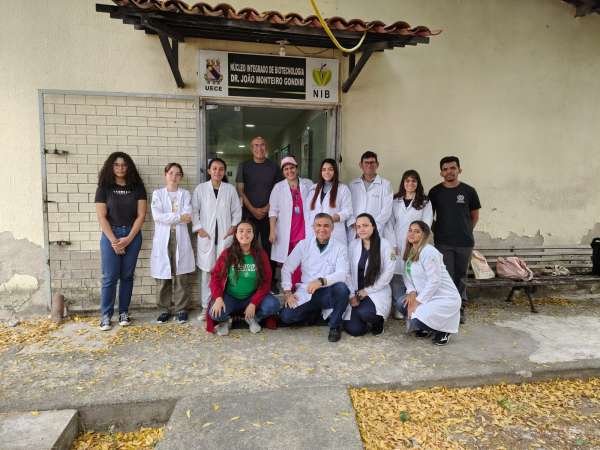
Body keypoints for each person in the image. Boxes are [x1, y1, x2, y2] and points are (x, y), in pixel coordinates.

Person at [95, 152, 147, 331]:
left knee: (127, 276)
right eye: (116, 165)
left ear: (129, 167)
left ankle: (124, 312)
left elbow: (141, 215)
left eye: (124, 165)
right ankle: (105, 316)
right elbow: (101, 217)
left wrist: (129, 239)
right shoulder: (104, 187)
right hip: (111, 235)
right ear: (111, 167)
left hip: (132, 235)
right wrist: (114, 241)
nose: (120, 168)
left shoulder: (137, 187)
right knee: (109, 277)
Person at [279, 213, 350, 342]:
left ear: (332, 228)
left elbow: (342, 273)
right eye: (318, 225)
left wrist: (321, 281)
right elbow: (287, 268)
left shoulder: (340, 247)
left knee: (342, 289)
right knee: (286, 316)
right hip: (307, 291)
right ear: (313, 227)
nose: (322, 229)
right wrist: (288, 292)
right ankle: (313, 313)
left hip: (328, 291)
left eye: (326, 226)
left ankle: (334, 326)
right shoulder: (304, 244)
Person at [428, 156, 481, 323]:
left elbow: (474, 216)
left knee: (461, 276)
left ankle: (460, 308)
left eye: (452, 168)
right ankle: (448, 308)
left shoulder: (469, 191)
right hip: (443, 243)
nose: (449, 171)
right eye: (445, 169)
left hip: (465, 243)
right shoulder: (435, 192)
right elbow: (429, 216)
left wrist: (465, 230)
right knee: (447, 277)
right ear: (441, 173)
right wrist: (438, 231)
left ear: (459, 170)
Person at [208, 221, 281, 336]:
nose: (245, 234)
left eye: (249, 231)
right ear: (236, 235)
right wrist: (218, 298)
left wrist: (254, 303)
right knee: (214, 313)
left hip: (252, 295)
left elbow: (266, 282)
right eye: (241, 231)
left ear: (253, 235)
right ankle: (226, 321)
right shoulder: (227, 254)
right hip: (231, 297)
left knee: (273, 305)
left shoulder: (261, 255)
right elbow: (215, 276)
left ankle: (253, 318)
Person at [192, 158, 242, 320]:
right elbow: (194, 211)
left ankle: (222, 306)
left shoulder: (230, 189)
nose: (217, 172)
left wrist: (233, 227)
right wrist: (199, 228)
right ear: (209, 171)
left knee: (225, 272)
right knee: (207, 273)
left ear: (224, 171)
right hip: (207, 237)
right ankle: (205, 308)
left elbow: (237, 211)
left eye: (221, 169)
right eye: (214, 168)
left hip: (225, 236)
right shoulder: (200, 189)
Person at [399, 221, 461, 346]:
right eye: (410, 230)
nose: (411, 233)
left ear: (424, 235)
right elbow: (406, 275)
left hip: (444, 298)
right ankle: (427, 327)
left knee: (415, 320)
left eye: (417, 231)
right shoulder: (411, 251)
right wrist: (411, 291)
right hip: (426, 296)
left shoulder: (429, 252)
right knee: (401, 303)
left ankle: (443, 330)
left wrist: (417, 302)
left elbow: (435, 281)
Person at [150, 163, 196, 324]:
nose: (174, 177)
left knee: (181, 275)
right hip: (163, 238)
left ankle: (181, 309)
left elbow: (188, 215)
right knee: (164, 275)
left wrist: (170, 217)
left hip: (180, 237)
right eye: (171, 173)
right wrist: (178, 217)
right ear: (165, 174)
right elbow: (157, 216)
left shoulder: (185, 194)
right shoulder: (158, 194)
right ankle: (164, 309)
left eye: (177, 174)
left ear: (181, 177)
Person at [236, 136, 283, 292]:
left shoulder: (274, 167)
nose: (259, 148)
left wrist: (267, 207)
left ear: (266, 147)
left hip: (269, 216)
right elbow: (240, 190)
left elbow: (279, 190)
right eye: (256, 145)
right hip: (249, 215)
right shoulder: (244, 166)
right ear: (251, 148)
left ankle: (270, 282)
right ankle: (250, 280)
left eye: (262, 145)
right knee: (248, 248)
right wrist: (253, 209)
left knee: (270, 249)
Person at [389, 170, 433, 319]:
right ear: (403, 183)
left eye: (414, 181)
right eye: (407, 180)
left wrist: (418, 244)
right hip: (396, 243)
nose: (410, 183)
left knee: (413, 273)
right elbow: (390, 223)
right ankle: (399, 305)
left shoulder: (425, 202)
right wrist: (392, 243)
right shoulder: (395, 200)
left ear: (418, 183)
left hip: (415, 243)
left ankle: (414, 304)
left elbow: (426, 224)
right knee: (396, 274)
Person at [342, 213, 395, 336]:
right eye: (358, 226)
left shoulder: (385, 245)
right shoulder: (353, 245)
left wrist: (368, 290)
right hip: (356, 292)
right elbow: (347, 272)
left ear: (373, 227)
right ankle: (362, 319)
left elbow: (388, 273)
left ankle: (378, 322)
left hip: (375, 291)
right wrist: (351, 294)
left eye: (365, 225)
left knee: (366, 313)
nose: (362, 229)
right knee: (354, 330)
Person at [268, 156, 312, 287]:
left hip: (303, 230)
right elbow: (273, 211)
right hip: (286, 231)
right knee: (287, 262)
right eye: (286, 169)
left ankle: (300, 287)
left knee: (303, 260)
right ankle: (289, 287)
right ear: (283, 172)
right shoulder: (278, 187)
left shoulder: (308, 184)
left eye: (292, 168)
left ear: (297, 168)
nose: (289, 171)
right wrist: (272, 231)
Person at [348, 150, 393, 240]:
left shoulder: (386, 185)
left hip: (375, 231)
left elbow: (386, 211)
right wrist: (354, 224)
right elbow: (347, 207)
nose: (369, 165)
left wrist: (371, 228)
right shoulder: (352, 185)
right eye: (366, 163)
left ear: (377, 165)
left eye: (372, 162)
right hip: (355, 232)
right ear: (361, 165)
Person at [306, 158, 353, 245]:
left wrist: (335, 217)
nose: (327, 172)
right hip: (315, 233)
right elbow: (307, 212)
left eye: (330, 169)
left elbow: (348, 210)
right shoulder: (314, 188)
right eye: (324, 170)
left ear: (335, 171)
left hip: (335, 231)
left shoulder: (343, 189)